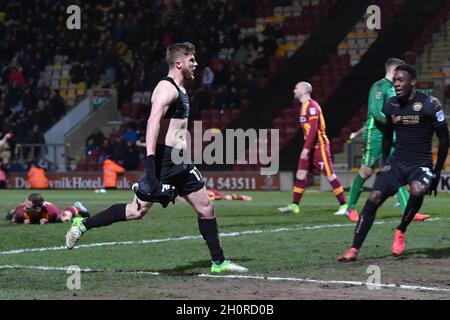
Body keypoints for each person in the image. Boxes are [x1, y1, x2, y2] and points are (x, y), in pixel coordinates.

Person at [65, 42, 248, 273]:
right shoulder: (166, 87)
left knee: (206, 208)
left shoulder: (182, 90)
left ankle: (219, 263)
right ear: (179, 63)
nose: (196, 64)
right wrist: (151, 166)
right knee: (136, 212)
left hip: (182, 161)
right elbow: (152, 122)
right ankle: (82, 224)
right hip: (165, 162)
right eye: (192, 60)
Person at [338, 64, 449, 261]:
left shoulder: (431, 104)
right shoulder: (390, 104)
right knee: (374, 198)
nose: (396, 83)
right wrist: (385, 163)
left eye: (401, 80)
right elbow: (388, 135)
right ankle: (354, 249)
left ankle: (400, 230)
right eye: (395, 80)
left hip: (420, 163)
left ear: (413, 82)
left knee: (417, 190)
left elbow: (444, 139)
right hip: (396, 162)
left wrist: (437, 171)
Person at [346, 58, 430, 222]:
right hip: (375, 134)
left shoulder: (396, 89)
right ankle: (350, 209)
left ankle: (409, 211)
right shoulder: (379, 86)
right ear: (394, 70)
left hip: (391, 135)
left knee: (397, 171)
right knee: (366, 171)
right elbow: (376, 113)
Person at [278, 82, 348, 215]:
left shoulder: (312, 106)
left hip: (320, 147)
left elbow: (313, 131)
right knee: (300, 174)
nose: (294, 90)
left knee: (330, 175)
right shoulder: (304, 106)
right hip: (310, 147)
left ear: (304, 91)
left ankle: (344, 205)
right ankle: (295, 205)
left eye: (296, 88)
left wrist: (305, 149)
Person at [6, 193, 90, 224]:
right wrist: (21, 221)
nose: (25, 208)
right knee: (9, 216)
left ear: (37, 209)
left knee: (66, 215)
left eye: (28, 206)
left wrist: (50, 220)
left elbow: (65, 219)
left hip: (51, 212)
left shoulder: (51, 211)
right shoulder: (20, 210)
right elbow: (14, 220)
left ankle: (78, 206)